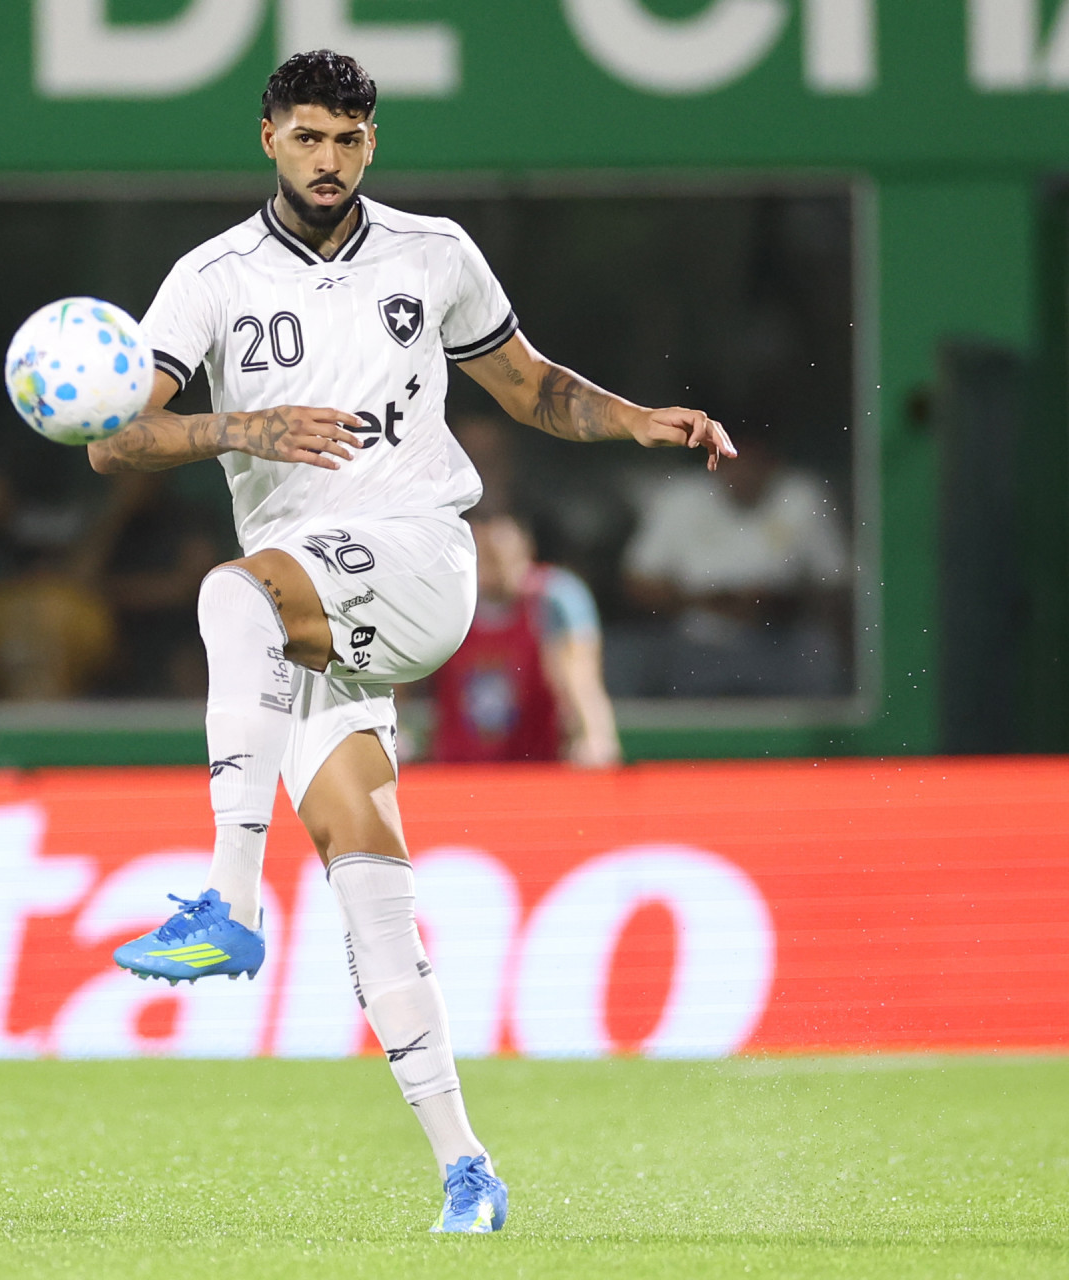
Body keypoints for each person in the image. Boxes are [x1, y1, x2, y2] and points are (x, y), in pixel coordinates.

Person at [92, 51, 734, 1233]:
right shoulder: (210, 278)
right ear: (268, 139)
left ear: (371, 141)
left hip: (418, 558)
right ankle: (469, 1170)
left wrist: (636, 417)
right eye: (305, 137)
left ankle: (229, 900)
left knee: (230, 597)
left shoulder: (432, 254)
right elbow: (116, 443)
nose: (326, 159)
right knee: (368, 877)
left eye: (346, 138)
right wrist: (245, 425)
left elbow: (528, 385)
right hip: (320, 611)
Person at [622, 437, 848, 696]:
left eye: (754, 464)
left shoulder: (803, 494)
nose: (745, 474)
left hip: (783, 642)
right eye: (734, 462)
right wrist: (710, 602)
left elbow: (835, 585)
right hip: (694, 643)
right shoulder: (681, 496)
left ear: (772, 464)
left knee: (820, 652)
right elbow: (637, 583)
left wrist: (779, 603)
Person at [430, 508, 620, 766]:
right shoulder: (445, 602)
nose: (494, 570)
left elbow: (582, 681)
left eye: (502, 558)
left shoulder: (555, 600)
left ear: (525, 550)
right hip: (457, 769)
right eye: (484, 558)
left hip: (537, 767)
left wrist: (595, 736)